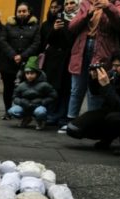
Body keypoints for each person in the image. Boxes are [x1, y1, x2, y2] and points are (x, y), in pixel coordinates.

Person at [67, 46, 120, 155]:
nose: (114, 69)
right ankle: (108, 137)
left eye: (118, 66)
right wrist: (93, 79)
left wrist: (106, 86)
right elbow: (95, 92)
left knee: (115, 118)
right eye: (113, 65)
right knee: (73, 129)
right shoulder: (115, 74)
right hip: (109, 112)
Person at [64, 0, 120, 131]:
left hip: (103, 51)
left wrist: (108, 7)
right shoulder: (86, 3)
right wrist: (87, 13)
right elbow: (72, 27)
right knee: (76, 89)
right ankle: (70, 121)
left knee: (94, 90)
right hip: (82, 48)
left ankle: (91, 125)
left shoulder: (116, 3)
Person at [0, 2, 40, 119]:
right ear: (16, 13)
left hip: (26, 63)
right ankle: (7, 111)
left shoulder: (35, 27)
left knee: (26, 88)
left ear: (28, 12)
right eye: (19, 11)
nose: (21, 13)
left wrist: (22, 56)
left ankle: (24, 112)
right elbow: (2, 41)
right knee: (8, 88)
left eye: (24, 11)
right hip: (8, 62)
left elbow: (36, 44)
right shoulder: (8, 26)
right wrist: (13, 55)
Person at [41, 0, 78, 128]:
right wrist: (55, 30)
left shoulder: (79, 20)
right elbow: (47, 41)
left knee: (65, 89)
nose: (69, 6)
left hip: (68, 58)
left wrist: (63, 29)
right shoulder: (54, 21)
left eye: (71, 3)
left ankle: (62, 116)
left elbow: (71, 41)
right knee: (52, 88)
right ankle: (50, 115)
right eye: (67, 4)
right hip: (53, 60)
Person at [7, 55, 57, 130]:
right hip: (25, 106)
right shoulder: (22, 85)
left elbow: (53, 95)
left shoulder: (44, 84)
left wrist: (42, 101)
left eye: (32, 73)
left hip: (38, 106)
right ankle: (26, 118)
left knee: (40, 112)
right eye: (27, 73)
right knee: (12, 111)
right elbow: (14, 96)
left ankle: (40, 121)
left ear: (37, 73)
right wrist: (21, 101)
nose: (29, 76)